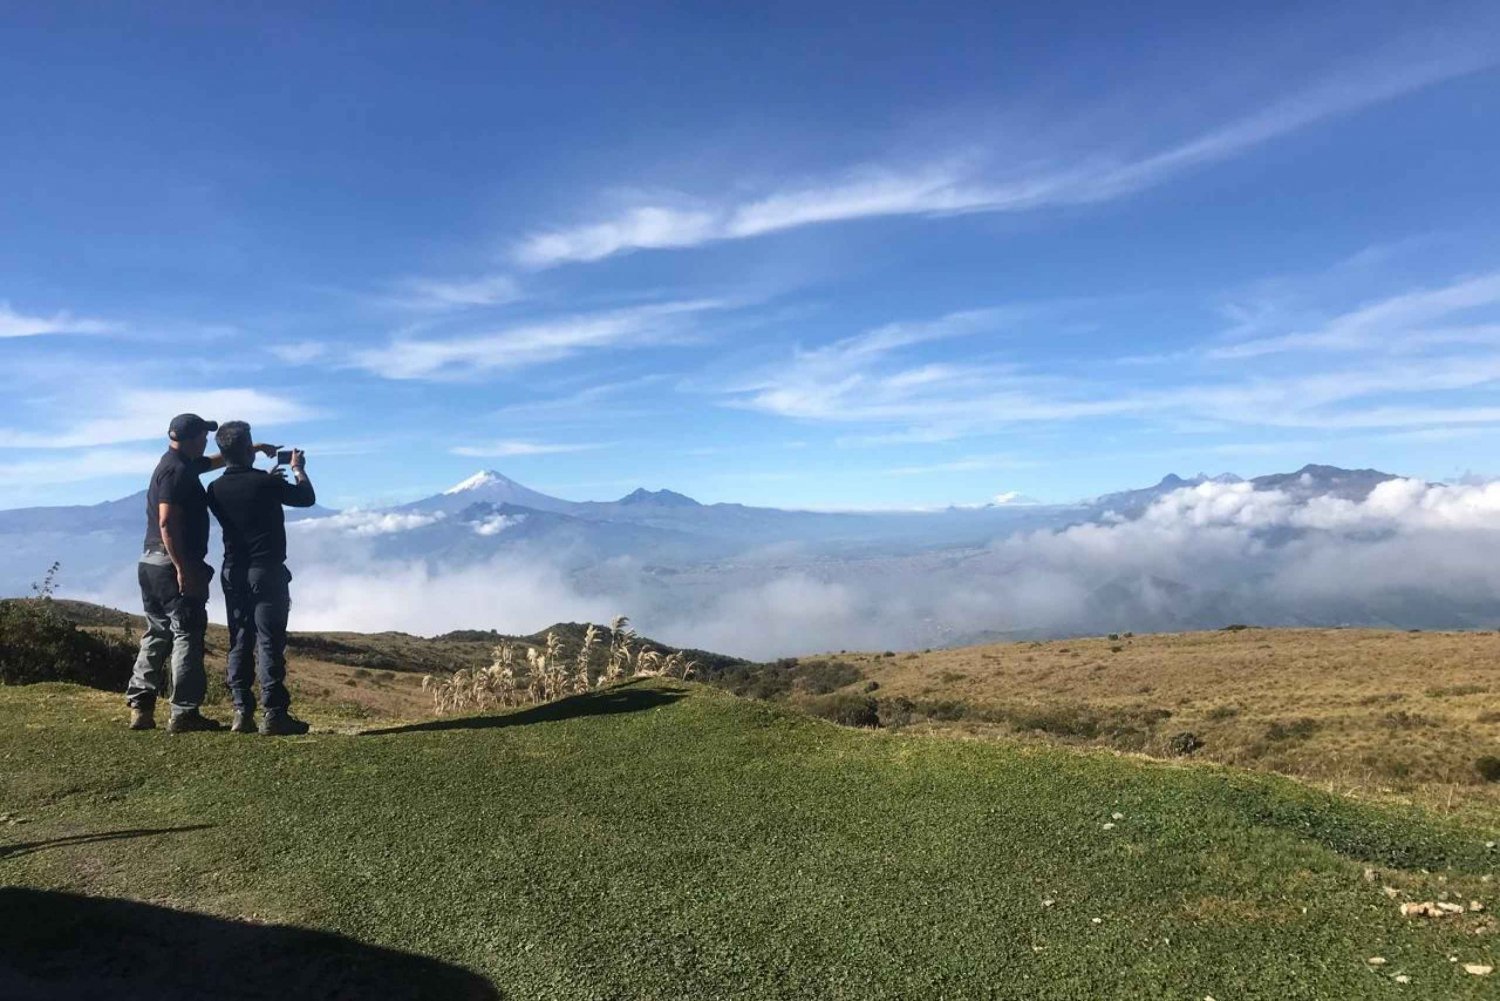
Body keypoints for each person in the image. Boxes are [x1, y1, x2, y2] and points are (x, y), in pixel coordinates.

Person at [127, 413, 277, 732]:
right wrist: (184, 567)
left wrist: (251, 449)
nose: (207, 440)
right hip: (173, 563)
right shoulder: (177, 473)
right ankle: (184, 712)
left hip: (149, 562)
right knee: (187, 631)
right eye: (203, 435)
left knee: (157, 631)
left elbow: (211, 463)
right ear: (192, 438)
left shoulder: (174, 463)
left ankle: (141, 706)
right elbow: (167, 522)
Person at [205, 421, 316, 736]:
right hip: (266, 570)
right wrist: (298, 469)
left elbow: (243, 497)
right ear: (247, 446)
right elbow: (305, 497)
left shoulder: (214, 490)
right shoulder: (266, 485)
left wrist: (264, 480)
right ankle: (275, 713)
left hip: (233, 571)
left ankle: (242, 711)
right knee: (269, 640)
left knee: (239, 639)